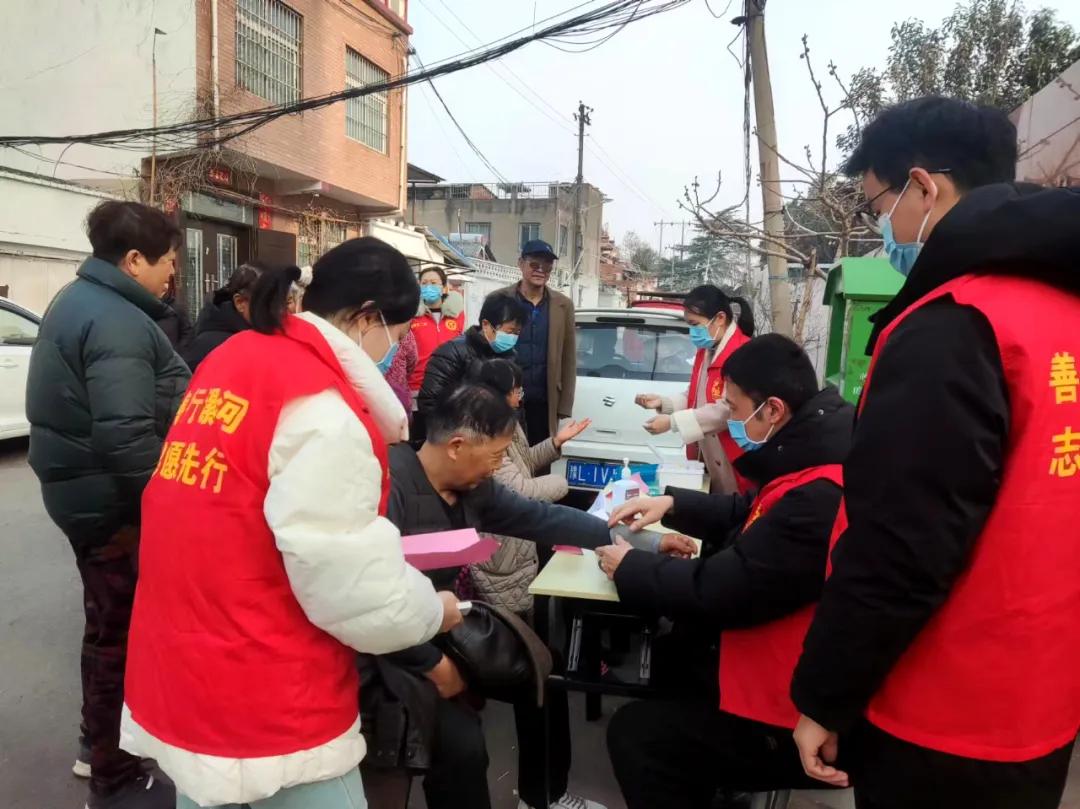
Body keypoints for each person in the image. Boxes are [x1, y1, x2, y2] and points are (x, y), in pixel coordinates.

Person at [789, 96, 1080, 809]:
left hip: (941, 711)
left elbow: (901, 544)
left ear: (923, 186)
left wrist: (825, 696)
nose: (882, 229)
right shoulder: (1066, 309)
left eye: (877, 206)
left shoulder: (954, 322)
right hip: (1045, 700)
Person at [119, 238, 464, 809]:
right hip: (268, 689)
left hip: (184, 664)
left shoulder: (233, 358)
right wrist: (433, 611)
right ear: (367, 318)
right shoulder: (321, 408)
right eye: (399, 334)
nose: (395, 350)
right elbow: (352, 587)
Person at [380, 382, 680, 809]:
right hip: (389, 649)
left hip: (445, 626)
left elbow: (542, 518)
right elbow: (366, 597)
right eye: (496, 456)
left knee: (543, 670)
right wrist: (431, 664)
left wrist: (645, 543)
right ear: (457, 446)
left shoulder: (474, 488)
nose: (497, 467)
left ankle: (543, 797)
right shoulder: (387, 487)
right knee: (463, 748)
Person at [596, 335, 852, 809]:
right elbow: (751, 509)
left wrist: (631, 566)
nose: (729, 420)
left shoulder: (820, 491)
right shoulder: (812, 452)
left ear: (772, 409)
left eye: (733, 409)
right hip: (784, 656)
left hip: (796, 707)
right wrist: (671, 503)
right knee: (674, 655)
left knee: (637, 737)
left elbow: (725, 589)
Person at [25, 200, 190, 809]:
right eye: (168, 261)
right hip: (112, 506)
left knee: (106, 624)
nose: (171, 275)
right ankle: (112, 774)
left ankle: (95, 742)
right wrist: (171, 508)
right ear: (134, 259)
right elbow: (126, 439)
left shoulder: (81, 299)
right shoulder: (117, 320)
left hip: (84, 494)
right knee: (118, 634)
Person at [467, 359, 591, 615]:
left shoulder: (508, 424)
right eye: (517, 390)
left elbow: (525, 463)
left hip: (519, 542)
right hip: (503, 550)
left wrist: (555, 442)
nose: (520, 397)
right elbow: (520, 490)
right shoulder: (485, 432)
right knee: (511, 622)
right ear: (499, 394)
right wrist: (564, 482)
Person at [636, 285, 756, 494]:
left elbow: (727, 409)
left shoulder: (743, 352)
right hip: (709, 456)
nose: (692, 332)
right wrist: (664, 403)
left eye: (695, 324)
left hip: (733, 459)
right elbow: (695, 394)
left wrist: (673, 422)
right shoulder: (707, 349)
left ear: (720, 318)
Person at [499, 239, 576, 447]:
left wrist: (564, 405)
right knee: (505, 456)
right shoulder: (500, 299)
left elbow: (568, 357)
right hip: (507, 399)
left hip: (544, 400)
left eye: (547, 266)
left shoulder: (563, 305)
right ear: (521, 264)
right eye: (534, 264)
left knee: (542, 457)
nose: (541, 270)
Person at [417, 291, 524, 425]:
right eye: (510, 331)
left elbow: (517, 405)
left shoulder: (511, 356)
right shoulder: (452, 352)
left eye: (517, 333)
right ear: (486, 325)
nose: (512, 337)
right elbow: (429, 403)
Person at [180, 259, 271, 371]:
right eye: (266, 303)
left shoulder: (265, 335)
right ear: (240, 302)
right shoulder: (212, 346)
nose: (277, 310)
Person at [409, 266, 466, 439]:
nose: (429, 287)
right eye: (424, 283)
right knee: (420, 439)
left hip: (451, 389)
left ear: (443, 287)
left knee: (446, 439)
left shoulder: (457, 315)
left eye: (434, 283)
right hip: (417, 389)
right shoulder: (411, 316)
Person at [156, 276, 193, 350]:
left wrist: (178, 352)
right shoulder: (143, 306)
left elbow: (188, 334)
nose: (164, 287)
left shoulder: (178, 308)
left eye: (166, 282)